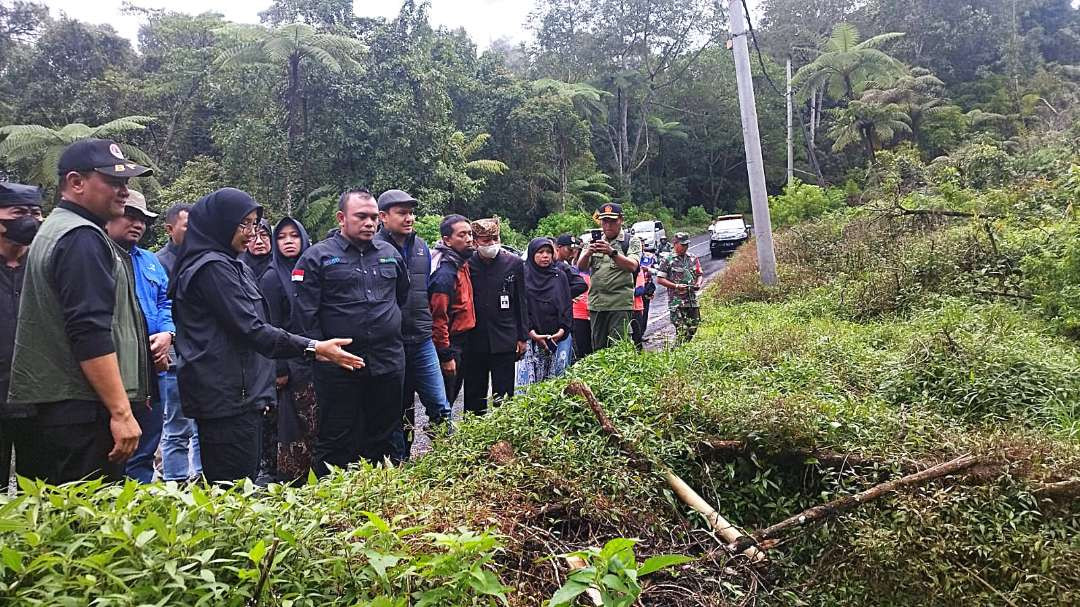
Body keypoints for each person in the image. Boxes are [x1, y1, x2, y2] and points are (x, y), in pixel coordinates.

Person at [169, 188, 362, 483]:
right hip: (226, 397)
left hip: (245, 394)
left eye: (255, 224)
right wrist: (314, 347)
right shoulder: (212, 268)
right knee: (233, 489)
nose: (251, 233)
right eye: (243, 224)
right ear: (220, 223)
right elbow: (251, 329)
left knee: (246, 480)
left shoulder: (233, 264)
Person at [8, 138, 152, 484]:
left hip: (64, 408)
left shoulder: (60, 230)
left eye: (126, 183)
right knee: (88, 525)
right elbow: (88, 331)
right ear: (76, 182)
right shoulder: (80, 238)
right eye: (113, 182)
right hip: (79, 410)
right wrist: (120, 411)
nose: (123, 191)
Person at [293, 189, 410, 474]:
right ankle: (334, 507)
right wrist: (319, 355)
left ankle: (382, 499)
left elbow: (402, 295)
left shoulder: (389, 253)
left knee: (383, 437)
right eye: (361, 217)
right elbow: (304, 315)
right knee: (336, 439)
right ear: (341, 218)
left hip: (386, 362)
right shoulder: (317, 257)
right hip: (339, 366)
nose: (370, 223)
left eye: (373, 217)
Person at [375, 190, 451, 461]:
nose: (409, 218)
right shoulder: (374, 248)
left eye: (411, 212)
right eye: (402, 213)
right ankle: (399, 464)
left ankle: (446, 459)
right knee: (396, 410)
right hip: (389, 343)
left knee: (440, 405)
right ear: (383, 217)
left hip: (421, 338)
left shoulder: (421, 248)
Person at [105, 191, 173, 484]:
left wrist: (168, 334)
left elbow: (166, 303)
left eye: (142, 220)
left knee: (146, 446)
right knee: (113, 450)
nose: (137, 224)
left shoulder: (150, 262)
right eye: (130, 216)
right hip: (113, 367)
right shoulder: (99, 255)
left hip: (153, 367)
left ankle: (139, 508)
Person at [259, 216, 318, 482]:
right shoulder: (272, 277)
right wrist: (279, 368)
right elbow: (270, 325)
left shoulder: (314, 268)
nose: (288, 242)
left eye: (294, 236)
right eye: (281, 237)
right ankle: (293, 480)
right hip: (290, 363)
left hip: (317, 358)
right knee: (293, 424)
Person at [0, 183, 44, 485]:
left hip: (39, 398)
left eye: (36, 213)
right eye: (19, 212)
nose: (30, 219)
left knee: (41, 488)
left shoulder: (44, 264)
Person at [155, 202, 201, 482]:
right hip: (174, 358)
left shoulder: (201, 258)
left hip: (200, 357)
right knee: (176, 427)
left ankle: (203, 479)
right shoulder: (159, 263)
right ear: (170, 229)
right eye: (187, 226)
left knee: (202, 425)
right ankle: (176, 483)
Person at [463, 218, 527, 415]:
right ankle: (474, 435)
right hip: (474, 339)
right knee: (474, 393)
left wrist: (522, 337)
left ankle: (504, 435)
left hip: (505, 337)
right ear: (475, 242)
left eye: (494, 239)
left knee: (505, 394)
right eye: (485, 240)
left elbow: (521, 301)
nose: (491, 244)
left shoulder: (514, 263)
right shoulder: (467, 264)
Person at [576, 203, 642, 351]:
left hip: (619, 303)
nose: (608, 225)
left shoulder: (630, 241)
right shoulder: (592, 241)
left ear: (621, 220)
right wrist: (588, 253)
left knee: (620, 347)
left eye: (612, 221)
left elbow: (632, 266)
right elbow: (581, 267)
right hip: (597, 304)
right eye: (604, 221)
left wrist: (612, 252)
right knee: (599, 348)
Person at [429, 214, 475, 405]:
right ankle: (439, 433)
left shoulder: (462, 263)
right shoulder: (445, 274)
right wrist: (446, 354)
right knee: (445, 399)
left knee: (453, 395)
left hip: (465, 340)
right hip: (451, 343)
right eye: (462, 235)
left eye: (470, 234)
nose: (469, 239)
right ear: (447, 240)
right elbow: (438, 318)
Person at [518, 238, 572, 385]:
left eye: (549, 252)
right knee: (529, 384)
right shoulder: (523, 276)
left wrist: (562, 330)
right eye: (540, 252)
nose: (545, 256)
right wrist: (532, 333)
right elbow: (521, 308)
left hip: (557, 337)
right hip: (531, 339)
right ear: (532, 254)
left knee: (556, 382)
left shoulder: (559, 276)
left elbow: (566, 305)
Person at [655, 232, 704, 344]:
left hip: (691, 300)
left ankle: (680, 350)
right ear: (675, 244)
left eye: (687, 245)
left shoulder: (692, 258)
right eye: (683, 245)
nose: (685, 247)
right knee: (682, 330)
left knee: (693, 326)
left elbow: (699, 274)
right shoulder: (668, 259)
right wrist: (676, 286)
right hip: (676, 302)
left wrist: (698, 283)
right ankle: (677, 352)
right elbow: (660, 279)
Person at [156, 203, 191, 275]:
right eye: (187, 225)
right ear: (170, 229)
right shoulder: (157, 263)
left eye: (196, 224)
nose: (194, 229)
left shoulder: (204, 256)